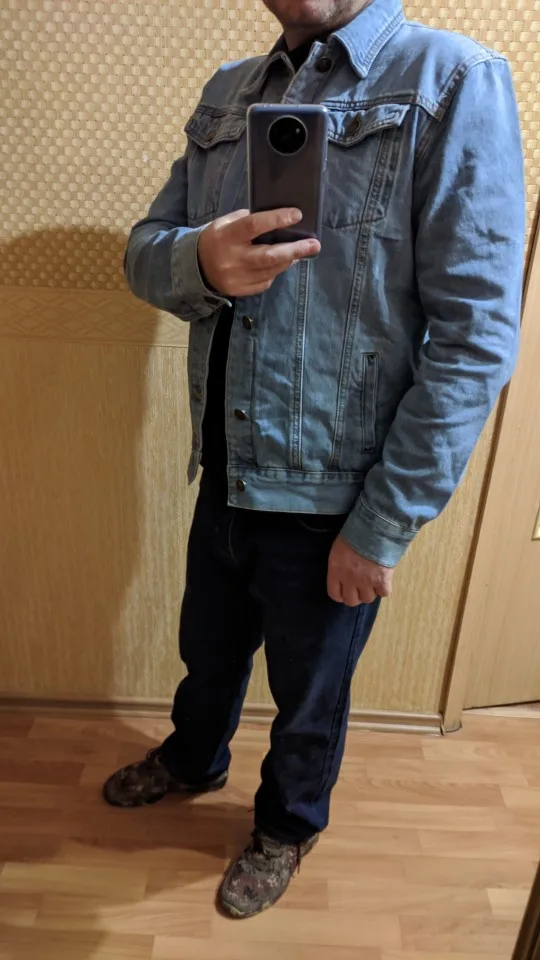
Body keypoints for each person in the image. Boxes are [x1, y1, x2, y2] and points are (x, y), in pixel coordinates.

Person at [104, 0, 525, 919]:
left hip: (338, 496)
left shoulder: (452, 80)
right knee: (205, 655)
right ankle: (193, 759)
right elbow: (142, 253)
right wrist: (201, 263)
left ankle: (288, 825)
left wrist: (383, 526)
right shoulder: (230, 94)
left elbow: (476, 338)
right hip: (225, 464)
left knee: (310, 694)